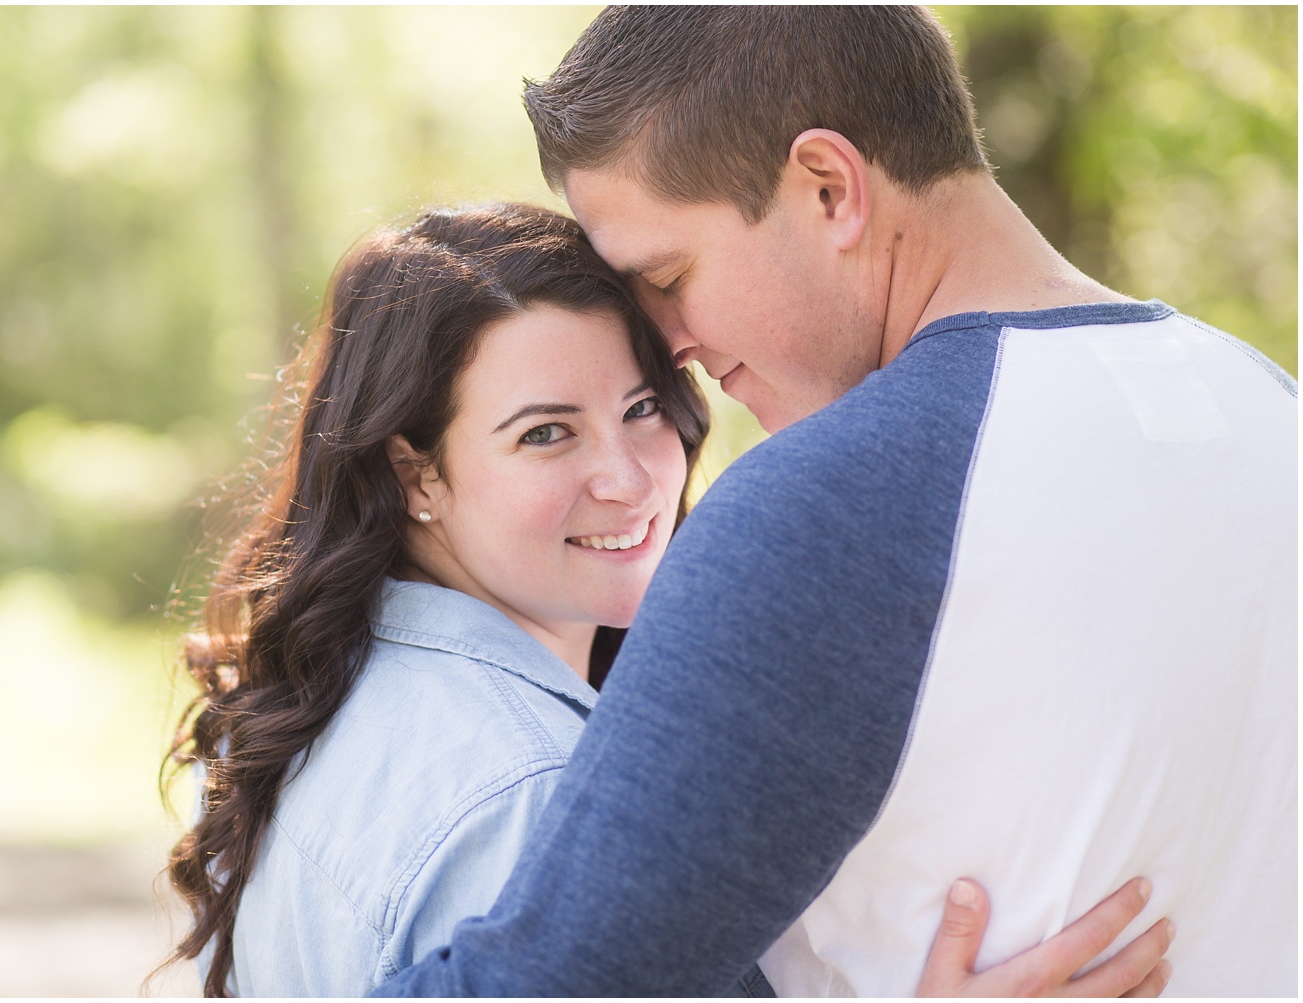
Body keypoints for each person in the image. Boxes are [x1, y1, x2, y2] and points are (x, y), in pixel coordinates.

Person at [373, 7, 1297, 998]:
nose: (667, 344)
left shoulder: (828, 508)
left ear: (829, 188)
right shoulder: (1266, 406)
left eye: (669, 276)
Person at [161, 203, 1170, 997]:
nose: (632, 477)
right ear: (415, 473)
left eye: (643, 408)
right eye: (546, 433)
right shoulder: (531, 800)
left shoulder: (326, 705)